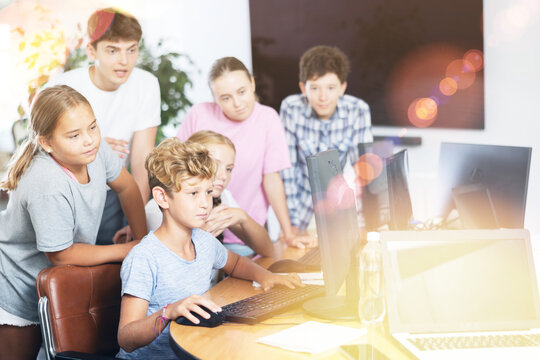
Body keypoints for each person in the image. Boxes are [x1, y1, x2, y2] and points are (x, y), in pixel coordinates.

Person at [117, 138, 301, 358]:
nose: (205, 203)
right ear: (162, 197)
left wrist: (265, 276)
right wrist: (168, 312)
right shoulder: (144, 257)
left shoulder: (204, 242)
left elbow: (236, 263)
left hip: (194, 351)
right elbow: (126, 337)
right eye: (193, 193)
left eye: (208, 192)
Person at [0, 85, 146, 360]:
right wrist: (126, 250)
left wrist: (143, 242)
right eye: (74, 135)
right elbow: (61, 253)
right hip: (15, 280)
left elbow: (127, 187)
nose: (89, 139)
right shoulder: (47, 183)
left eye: (93, 127)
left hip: (57, 278)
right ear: (47, 142)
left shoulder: (94, 150)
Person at [45, 8, 160, 245]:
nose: (124, 61)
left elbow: (140, 164)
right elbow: (42, 154)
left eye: (132, 50)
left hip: (118, 193)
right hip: (69, 192)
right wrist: (93, 147)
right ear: (91, 50)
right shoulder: (63, 85)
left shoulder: (146, 84)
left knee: (118, 265)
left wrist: (135, 220)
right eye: (112, 50)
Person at [177, 56, 313, 250]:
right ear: (215, 99)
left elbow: (272, 179)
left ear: (252, 83)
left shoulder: (267, 119)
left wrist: (289, 233)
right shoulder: (199, 114)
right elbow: (176, 171)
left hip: (246, 236)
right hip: (195, 233)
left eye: (242, 92)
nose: (237, 103)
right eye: (226, 98)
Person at [280, 45, 373, 232]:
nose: (323, 97)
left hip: (341, 197)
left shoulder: (358, 110)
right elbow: (288, 171)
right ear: (303, 88)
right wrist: (294, 224)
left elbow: (362, 169)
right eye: (314, 88)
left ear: (342, 88)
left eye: (331, 88)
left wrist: (364, 222)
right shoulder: (290, 108)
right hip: (302, 201)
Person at [145, 130, 274, 257]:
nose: (223, 176)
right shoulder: (160, 209)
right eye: (214, 164)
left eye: (229, 169)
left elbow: (268, 250)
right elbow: (168, 261)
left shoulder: (223, 197)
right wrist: (202, 232)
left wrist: (243, 217)